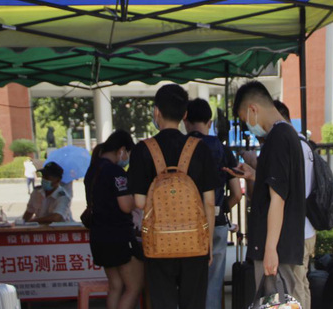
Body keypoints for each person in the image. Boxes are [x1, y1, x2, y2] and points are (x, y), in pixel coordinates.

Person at [128, 84, 217, 309]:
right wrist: (207, 244)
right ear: (185, 114)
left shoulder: (142, 149)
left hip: (158, 244)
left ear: (156, 112)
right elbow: (209, 202)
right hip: (194, 243)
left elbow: (139, 202)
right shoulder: (200, 148)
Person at [230, 81, 305, 299]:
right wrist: (256, 175)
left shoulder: (278, 138)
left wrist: (270, 249)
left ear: (253, 109)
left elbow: (278, 198)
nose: (249, 127)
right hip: (282, 246)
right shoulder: (288, 135)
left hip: (276, 249)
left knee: (274, 302)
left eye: (245, 120)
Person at [184, 98, 242, 309]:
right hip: (216, 222)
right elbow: (237, 194)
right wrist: (223, 208)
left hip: (184, 226)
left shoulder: (180, 147)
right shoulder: (222, 150)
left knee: (188, 283)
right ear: (209, 122)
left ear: (185, 121)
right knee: (213, 284)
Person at [84, 130, 143, 309]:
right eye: (127, 154)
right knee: (134, 287)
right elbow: (125, 205)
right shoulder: (116, 172)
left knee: (116, 286)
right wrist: (138, 200)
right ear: (122, 150)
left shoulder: (92, 170)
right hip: (119, 237)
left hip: (99, 236)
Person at [273, 99, 315, 309]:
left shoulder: (290, 144)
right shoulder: (305, 144)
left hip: (295, 230)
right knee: (301, 283)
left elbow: (283, 193)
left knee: (295, 287)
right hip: (308, 228)